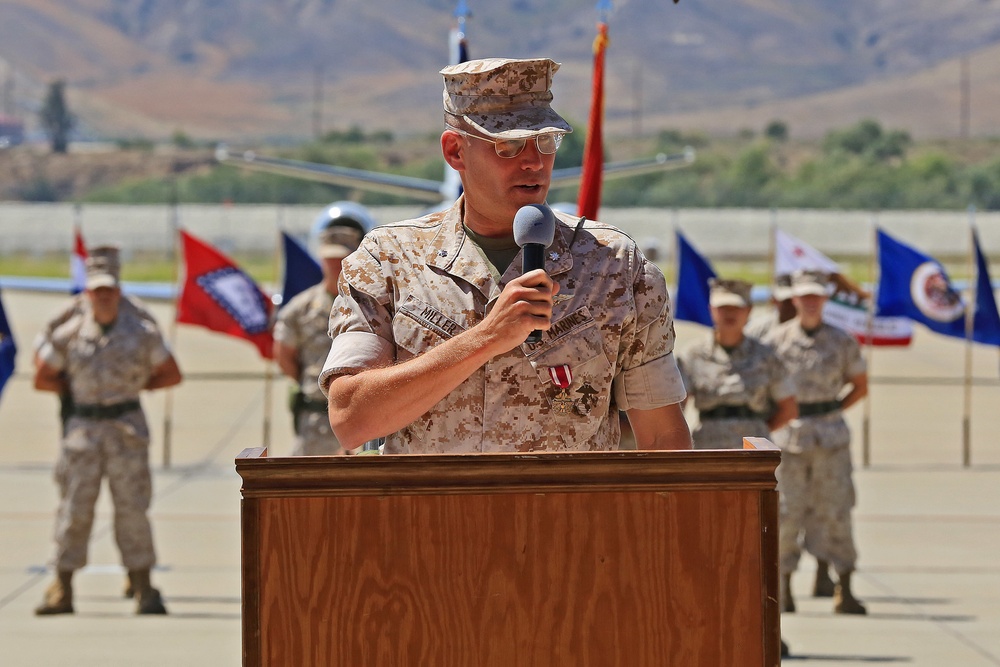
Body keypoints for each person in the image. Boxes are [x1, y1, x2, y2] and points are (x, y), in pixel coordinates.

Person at [320, 57, 691, 453]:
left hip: (568, 514)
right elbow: (351, 418)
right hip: (429, 514)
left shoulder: (615, 265)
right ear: (455, 151)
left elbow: (662, 437)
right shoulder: (388, 260)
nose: (534, 161)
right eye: (508, 145)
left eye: (545, 141)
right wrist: (487, 338)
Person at [33, 246, 182, 616]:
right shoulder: (69, 329)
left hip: (126, 431)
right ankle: (62, 587)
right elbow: (42, 376)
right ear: (88, 291)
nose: (103, 295)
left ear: (118, 290)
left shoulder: (141, 329)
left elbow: (171, 372)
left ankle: (144, 586)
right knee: (74, 511)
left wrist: (136, 385)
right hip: (82, 432)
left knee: (132, 510)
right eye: (96, 289)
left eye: (109, 289)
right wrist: (73, 392)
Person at [765, 269, 869, 616]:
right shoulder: (775, 342)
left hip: (830, 440)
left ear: (825, 300)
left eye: (816, 297)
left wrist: (832, 408)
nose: (810, 303)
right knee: (785, 514)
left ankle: (845, 586)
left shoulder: (842, 341)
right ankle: (784, 588)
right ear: (793, 300)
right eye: (804, 297)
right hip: (790, 441)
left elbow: (860, 384)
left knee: (837, 511)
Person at [273, 216, 364, 455]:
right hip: (317, 421)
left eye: (341, 259)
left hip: (367, 417)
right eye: (330, 259)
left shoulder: (372, 303)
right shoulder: (300, 308)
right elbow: (285, 358)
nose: (335, 265)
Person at [678, 278, 797, 449]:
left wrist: (760, 432)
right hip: (709, 448)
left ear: (749, 311)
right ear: (711, 310)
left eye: (736, 308)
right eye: (723, 308)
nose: (730, 314)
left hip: (754, 450)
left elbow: (788, 409)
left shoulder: (766, 356)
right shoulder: (692, 355)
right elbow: (678, 409)